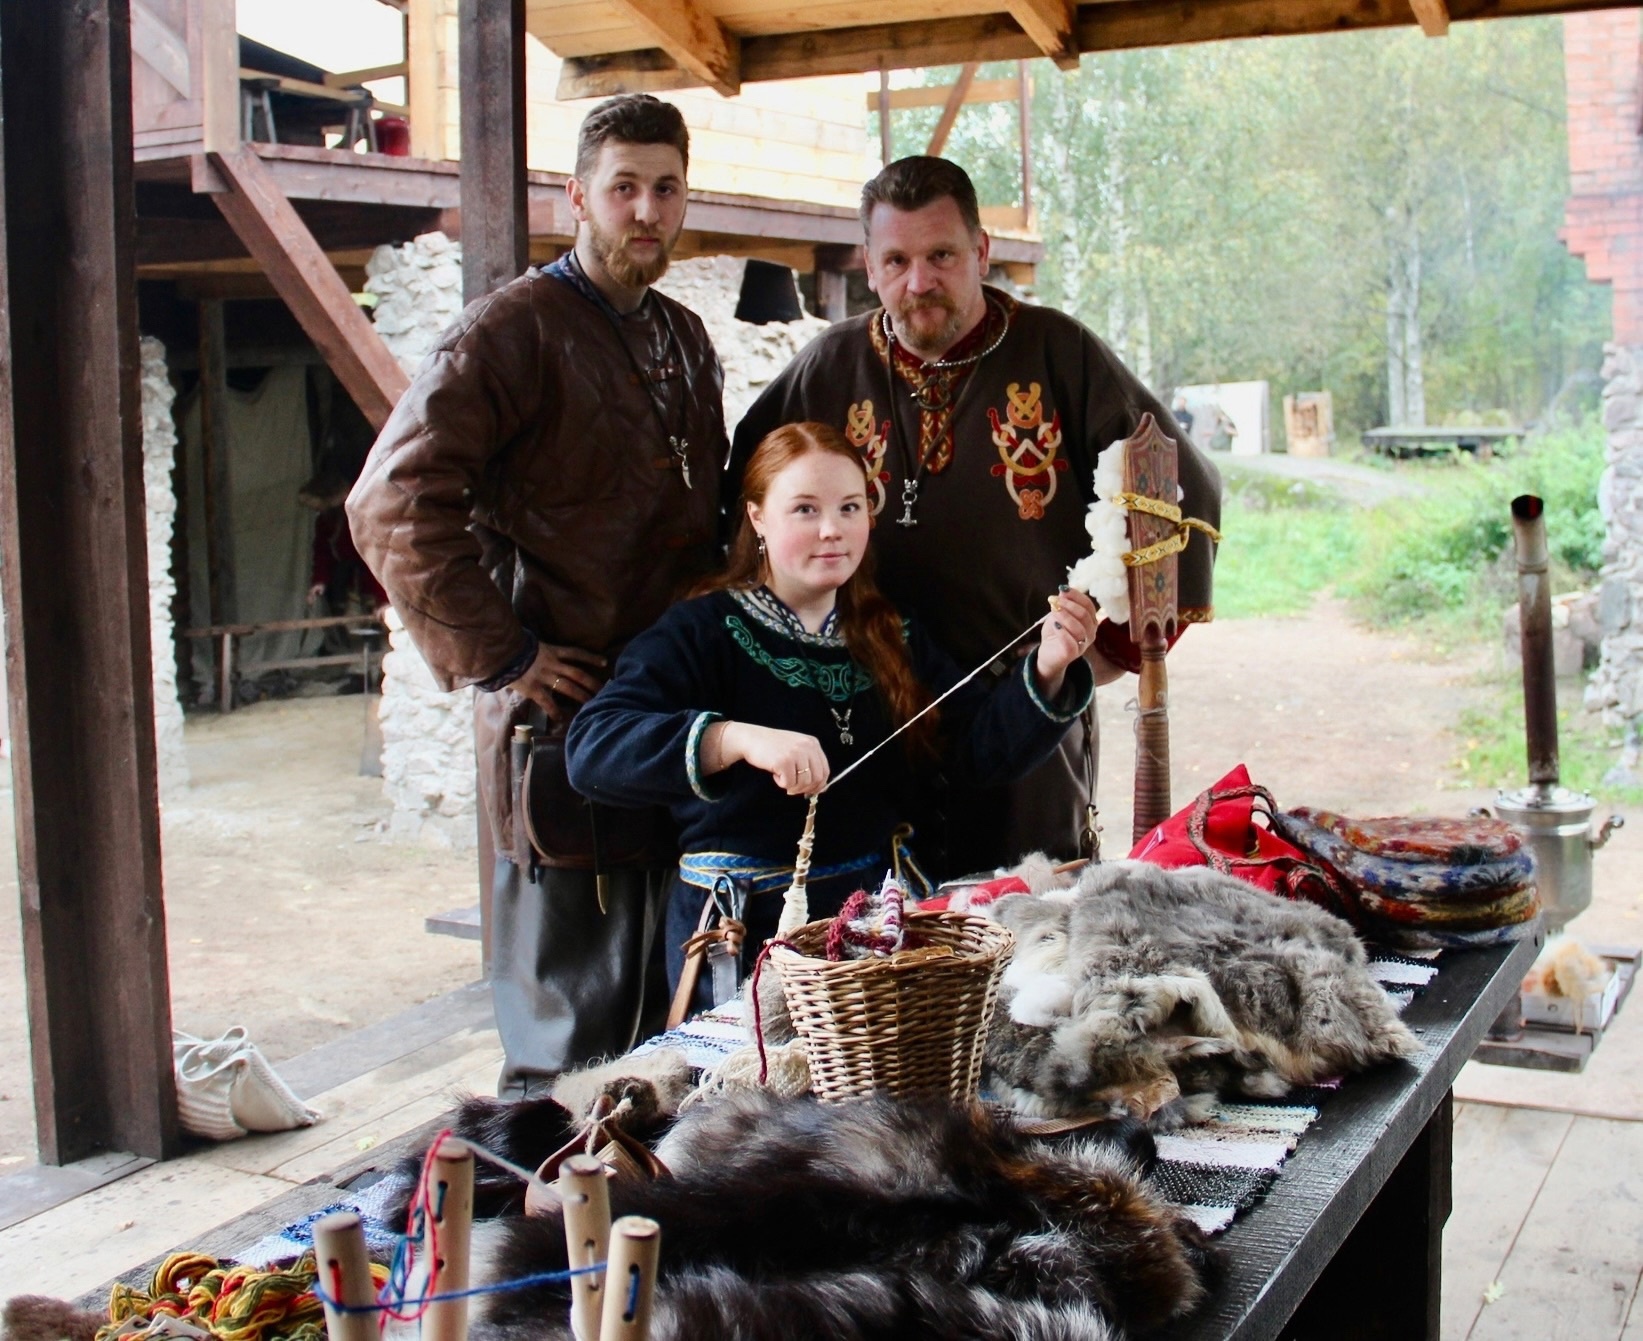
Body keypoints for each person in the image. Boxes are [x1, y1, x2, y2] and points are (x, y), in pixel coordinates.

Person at [347, 94, 727, 1095]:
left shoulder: (682, 338)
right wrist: (505, 655)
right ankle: (538, 1236)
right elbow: (391, 500)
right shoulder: (508, 332)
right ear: (577, 198)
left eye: (665, 188)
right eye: (623, 188)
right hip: (559, 730)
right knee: (564, 1041)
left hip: (665, 724)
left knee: (666, 1027)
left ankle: (642, 1240)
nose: (645, 209)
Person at [729, 156, 1220, 878]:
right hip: (864, 708)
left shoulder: (1057, 350)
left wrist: (1109, 647)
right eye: (895, 260)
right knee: (875, 934)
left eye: (941, 256)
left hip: (1028, 708)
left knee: (1032, 929)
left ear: (981, 252)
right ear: (869, 264)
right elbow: (743, 500)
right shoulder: (829, 365)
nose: (918, 282)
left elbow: (1180, 491)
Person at [565, 421, 1096, 998]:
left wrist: (1048, 667)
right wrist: (735, 739)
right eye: (803, 510)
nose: (831, 530)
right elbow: (592, 748)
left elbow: (976, 753)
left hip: (878, 926)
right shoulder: (702, 630)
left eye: (849, 507)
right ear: (757, 518)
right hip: (745, 938)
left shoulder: (892, 634)